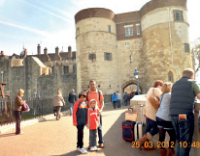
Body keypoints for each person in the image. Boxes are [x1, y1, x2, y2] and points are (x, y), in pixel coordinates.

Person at [170, 68, 200, 156]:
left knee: (179, 140)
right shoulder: (192, 83)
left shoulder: (175, 84)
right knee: (185, 142)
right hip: (183, 114)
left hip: (173, 115)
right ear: (192, 76)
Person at [137, 80, 163, 150]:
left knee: (147, 129)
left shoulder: (150, 90)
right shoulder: (157, 90)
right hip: (153, 113)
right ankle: (140, 141)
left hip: (147, 112)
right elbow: (163, 98)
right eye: (161, 86)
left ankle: (146, 146)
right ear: (159, 85)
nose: (162, 88)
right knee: (155, 130)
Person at [156, 83, 176, 156]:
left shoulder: (162, 96)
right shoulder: (170, 95)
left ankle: (163, 153)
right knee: (173, 136)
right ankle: (169, 152)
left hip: (159, 117)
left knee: (161, 136)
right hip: (166, 118)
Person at [87, 80, 105, 148]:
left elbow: (102, 102)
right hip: (91, 113)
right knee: (91, 128)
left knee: (99, 127)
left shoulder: (99, 92)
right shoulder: (87, 93)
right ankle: (91, 143)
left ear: (96, 84)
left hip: (98, 112)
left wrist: (101, 109)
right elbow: (86, 102)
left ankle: (101, 142)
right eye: (91, 84)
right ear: (89, 85)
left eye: (93, 84)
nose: (92, 85)